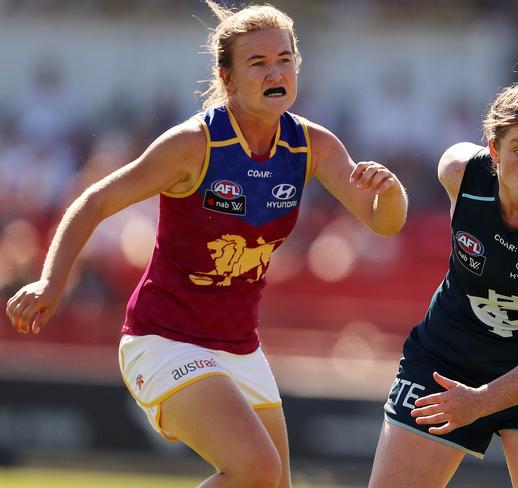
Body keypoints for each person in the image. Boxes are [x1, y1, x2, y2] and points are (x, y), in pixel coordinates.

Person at [5, 3, 407, 488]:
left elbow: (383, 223)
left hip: (240, 347)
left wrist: (390, 190)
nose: (275, 71)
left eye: (285, 59)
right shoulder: (194, 144)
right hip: (163, 341)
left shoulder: (312, 146)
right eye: (258, 63)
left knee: (272, 483)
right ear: (228, 78)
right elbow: (93, 200)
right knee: (257, 469)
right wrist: (52, 281)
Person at [369, 53, 518, 488]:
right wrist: (387, 191)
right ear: (493, 150)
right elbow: (401, 202)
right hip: (446, 359)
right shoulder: (459, 171)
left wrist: (480, 402)